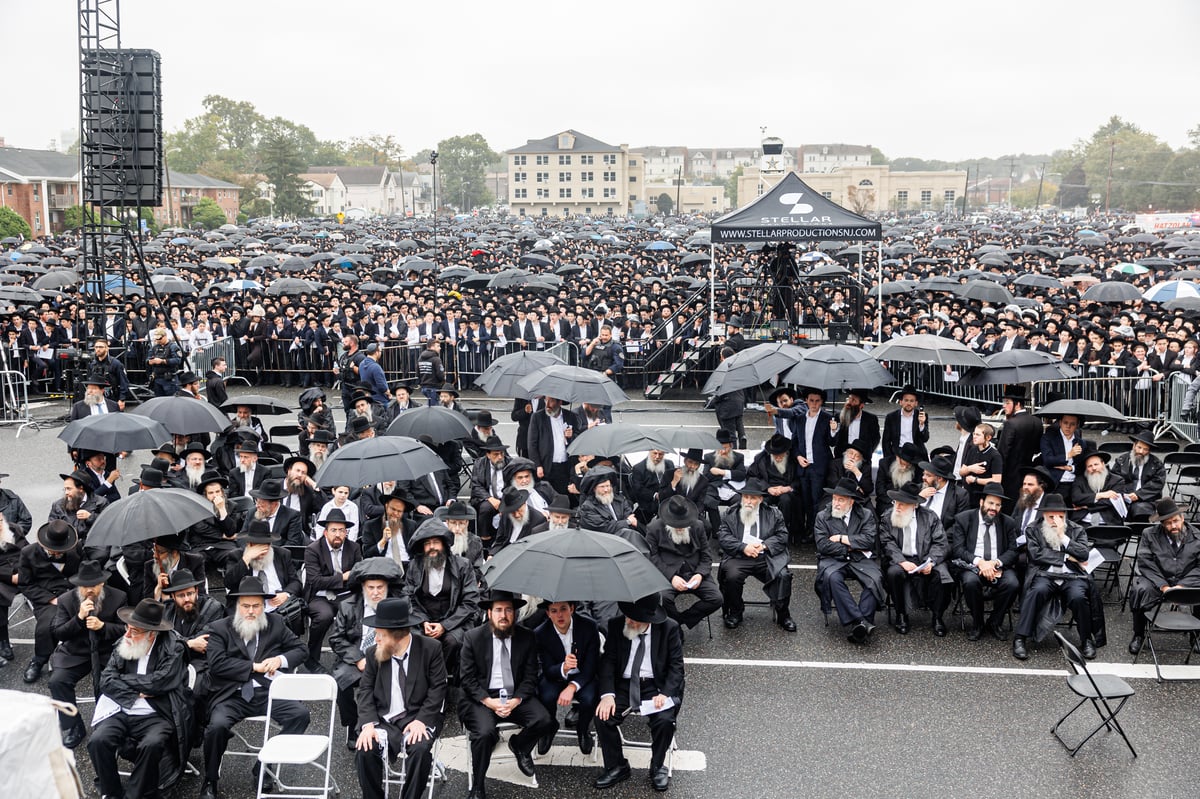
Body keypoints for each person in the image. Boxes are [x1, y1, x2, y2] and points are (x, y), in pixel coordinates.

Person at [200, 576, 310, 799]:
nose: (251, 611)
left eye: (256, 606)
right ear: (237, 606)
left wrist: (280, 659)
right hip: (232, 694)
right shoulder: (220, 628)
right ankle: (210, 779)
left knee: (301, 715)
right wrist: (254, 666)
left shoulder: (276, 623)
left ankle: (264, 765)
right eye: (246, 606)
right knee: (216, 727)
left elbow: (301, 650)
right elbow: (217, 664)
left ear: (264, 605)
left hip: (267, 692)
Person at [88, 598, 190, 799]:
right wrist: (136, 691)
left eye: (134, 631)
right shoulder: (124, 642)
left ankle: (135, 795)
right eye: (128, 627)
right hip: (121, 709)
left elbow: (160, 683)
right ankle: (112, 792)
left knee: (151, 744)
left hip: (157, 713)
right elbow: (106, 680)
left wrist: (123, 680)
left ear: (151, 634)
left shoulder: (174, 647)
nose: (127, 633)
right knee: (98, 741)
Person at [458, 590, 556, 799]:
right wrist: (489, 702)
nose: (504, 615)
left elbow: (531, 676)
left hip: (514, 695)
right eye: (499, 610)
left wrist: (516, 700)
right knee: (484, 733)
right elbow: (467, 679)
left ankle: (519, 745)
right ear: (490, 613)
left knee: (545, 720)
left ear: (515, 613)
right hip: (482, 698)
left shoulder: (527, 637)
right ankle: (477, 786)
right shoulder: (473, 637)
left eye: (509, 610)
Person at [354, 596, 448, 799]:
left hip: (417, 716)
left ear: (398, 635)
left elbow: (438, 689)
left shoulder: (430, 649)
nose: (375, 638)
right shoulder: (373, 653)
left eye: (381, 634)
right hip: (383, 719)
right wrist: (368, 724)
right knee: (364, 749)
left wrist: (421, 721)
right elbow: (365, 690)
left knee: (421, 750)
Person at [593, 592, 684, 793]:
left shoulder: (670, 628)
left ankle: (658, 765)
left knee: (664, 721)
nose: (629, 623)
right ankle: (617, 766)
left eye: (635, 621)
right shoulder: (617, 625)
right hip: (624, 684)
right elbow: (607, 662)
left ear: (648, 620)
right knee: (602, 717)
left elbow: (676, 667)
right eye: (628, 618)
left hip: (655, 686)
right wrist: (607, 694)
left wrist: (666, 694)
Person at [49, 559, 128, 748]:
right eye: (85, 587)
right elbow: (58, 632)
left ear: (102, 583)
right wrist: (78, 618)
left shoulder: (119, 597)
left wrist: (103, 627)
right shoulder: (67, 600)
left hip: (106, 651)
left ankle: (111, 725)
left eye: (93, 585)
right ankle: (73, 725)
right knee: (57, 681)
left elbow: (127, 629)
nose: (89, 590)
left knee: (112, 682)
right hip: (77, 652)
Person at [330, 558, 403, 749]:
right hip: (357, 656)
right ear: (363, 587)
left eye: (380, 587)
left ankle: (377, 724)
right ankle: (354, 724)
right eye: (371, 587)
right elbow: (336, 639)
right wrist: (359, 659)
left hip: (389, 656)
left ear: (387, 586)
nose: (376, 592)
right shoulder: (348, 606)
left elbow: (410, 636)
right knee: (341, 682)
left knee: (377, 683)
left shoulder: (399, 605)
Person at [1012, 493, 1095, 661]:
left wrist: (1062, 537)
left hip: (1071, 576)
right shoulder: (1033, 529)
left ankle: (1087, 640)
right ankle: (1020, 638)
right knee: (1036, 591)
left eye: (1060, 516)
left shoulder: (1076, 529)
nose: (1056, 520)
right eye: (1051, 516)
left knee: (1079, 597)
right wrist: (1065, 557)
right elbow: (1036, 554)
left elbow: (1083, 554)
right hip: (1044, 574)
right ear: (1043, 515)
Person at [716, 478, 795, 632]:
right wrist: (743, 547)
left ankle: (783, 614)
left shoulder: (774, 513)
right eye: (745, 497)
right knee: (731, 576)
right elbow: (723, 536)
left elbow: (782, 536)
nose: (748, 501)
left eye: (753, 498)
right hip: (739, 556)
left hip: (766, 556)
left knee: (783, 575)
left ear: (760, 499)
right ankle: (736, 611)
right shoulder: (730, 513)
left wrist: (764, 545)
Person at [404, 519, 480, 678]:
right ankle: (422, 680)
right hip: (423, 621)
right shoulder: (414, 566)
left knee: (452, 642)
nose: (431, 547)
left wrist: (444, 626)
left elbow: (470, 602)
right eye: (427, 543)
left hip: (455, 621)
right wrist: (423, 621)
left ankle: (439, 681)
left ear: (444, 544)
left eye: (435, 542)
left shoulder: (463, 565)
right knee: (416, 639)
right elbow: (408, 597)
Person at [814, 477, 884, 644]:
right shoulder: (823, 516)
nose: (836, 503)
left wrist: (841, 538)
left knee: (875, 579)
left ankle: (859, 625)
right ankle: (861, 621)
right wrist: (851, 546)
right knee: (832, 577)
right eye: (835, 498)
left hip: (860, 559)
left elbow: (869, 541)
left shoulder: (865, 514)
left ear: (851, 502)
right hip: (833, 559)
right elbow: (823, 545)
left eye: (841, 500)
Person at [1127, 498, 1200, 655]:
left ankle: (1197, 637)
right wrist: (1164, 586)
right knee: (1140, 589)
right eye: (1167, 523)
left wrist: (1181, 587)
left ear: (1182, 518)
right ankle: (1138, 634)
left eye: (1175, 521)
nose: (1173, 526)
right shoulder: (1149, 534)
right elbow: (1145, 563)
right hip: (1158, 581)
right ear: (1161, 523)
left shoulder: (1198, 536)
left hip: (1186, 582)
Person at [948, 485, 1021, 641]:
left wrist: (994, 563)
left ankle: (995, 621)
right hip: (972, 566)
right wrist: (980, 562)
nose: (993, 508)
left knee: (1012, 583)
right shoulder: (963, 519)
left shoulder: (1008, 522)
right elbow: (958, 549)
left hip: (998, 566)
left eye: (997, 505)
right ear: (982, 502)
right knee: (970, 582)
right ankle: (978, 622)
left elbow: (1013, 551)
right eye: (990, 503)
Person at [880, 482, 951, 636]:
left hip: (925, 557)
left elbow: (941, 542)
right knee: (894, 573)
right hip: (901, 559)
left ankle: (937, 616)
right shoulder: (887, 517)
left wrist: (931, 561)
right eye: (896, 502)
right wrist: (901, 561)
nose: (897, 507)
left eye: (902, 504)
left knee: (943, 575)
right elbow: (887, 543)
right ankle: (901, 615)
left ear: (914, 505)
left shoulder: (930, 517)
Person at [533, 599, 602, 755]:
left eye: (563, 609)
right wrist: (563, 667)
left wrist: (572, 687)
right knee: (545, 695)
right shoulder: (541, 633)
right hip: (556, 675)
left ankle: (583, 729)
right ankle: (550, 727)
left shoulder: (589, 627)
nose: (559, 615)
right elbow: (546, 669)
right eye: (554, 611)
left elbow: (592, 665)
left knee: (590, 698)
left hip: (583, 675)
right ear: (548, 614)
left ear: (572, 608)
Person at [646, 495, 724, 631]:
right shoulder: (654, 528)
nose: (680, 527)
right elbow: (652, 557)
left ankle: (678, 623)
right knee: (663, 599)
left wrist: (700, 574)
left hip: (694, 572)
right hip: (667, 574)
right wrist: (671, 576)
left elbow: (706, 554)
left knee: (716, 598)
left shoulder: (698, 526)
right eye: (676, 524)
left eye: (683, 524)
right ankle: (674, 629)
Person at [18, 520, 82, 684]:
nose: (58, 553)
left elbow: (83, 571)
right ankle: (39, 660)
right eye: (54, 551)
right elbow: (25, 584)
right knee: (48, 625)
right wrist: (51, 599)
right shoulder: (28, 552)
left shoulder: (76, 548)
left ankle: (83, 656)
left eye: (61, 550)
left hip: (73, 593)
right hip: (46, 597)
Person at [303, 507, 364, 672]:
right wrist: (342, 578)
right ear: (325, 532)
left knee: (354, 613)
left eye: (341, 530)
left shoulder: (354, 548)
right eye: (333, 530)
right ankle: (311, 658)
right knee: (324, 616)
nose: (337, 534)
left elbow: (358, 576)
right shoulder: (313, 550)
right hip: (320, 596)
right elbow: (315, 581)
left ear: (346, 532)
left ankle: (349, 656)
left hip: (346, 594)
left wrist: (341, 580)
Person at [222, 520, 302, 615]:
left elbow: (295, 582)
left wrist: (286, 594)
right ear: (249, 545)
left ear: (270, 545)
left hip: (279, 607)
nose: (260, 552)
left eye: (264, 546)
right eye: (256, 546)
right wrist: (246, 559)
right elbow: (229, 583)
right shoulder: (236, 556)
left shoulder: (282, 554)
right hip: (247, 608)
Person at [997, 386, 1043, 510]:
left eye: (1007, 402)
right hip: (1030, 473)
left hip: (1010, 477)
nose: (1003, 406)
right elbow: (1038, 449)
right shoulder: (1037, 421)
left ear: (1017, 404)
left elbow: (1002, 453)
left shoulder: (1010, 424)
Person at [747, 433, 800, 536]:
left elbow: (799, 480)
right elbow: (752, 477)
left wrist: (788, 488)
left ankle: (782, 531)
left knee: (786, 501)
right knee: (761, 501)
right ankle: (763, 531)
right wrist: (767, 488)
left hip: (786, 491)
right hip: (767, 490)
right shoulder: (761, 459)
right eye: (775, 456)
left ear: (786, 452)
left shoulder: (793, 460)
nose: (778, 458)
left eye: (781, 456)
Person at [527, 395, 579, 495]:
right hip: (546, 466)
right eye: (546, 400)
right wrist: (538, 465)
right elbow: (532, 444)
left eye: (551, 401)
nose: (547, 405)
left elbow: (578, 439)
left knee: (563, 497)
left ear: (559, 402)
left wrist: (571, 435)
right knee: (547, 497)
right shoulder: (538, 417)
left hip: (565, 466)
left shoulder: (570, 416)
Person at [1065, 450, 1128, 526]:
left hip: (1108, 523)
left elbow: (1111, 502)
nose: (1094, 468)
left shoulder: (1117, 480)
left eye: (1096, 464)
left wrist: (1087, 506)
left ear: (1103, 464)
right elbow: (1076, 498)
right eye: (1090, 466)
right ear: (1086, 468)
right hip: (1082, 522)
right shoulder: (1080, 480)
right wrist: (1099, 495)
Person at [241, 477, 305, 547]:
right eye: (257, 501)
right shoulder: (252, 512)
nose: (257, 505)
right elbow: (242, 537)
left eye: (261, 503)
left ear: (274, 504)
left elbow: (292, 544)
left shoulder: (292, 516)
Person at [916, 454, 972, 531]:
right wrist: (919, 499)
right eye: (924, 474)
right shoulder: (918, 489)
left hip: (942, 539)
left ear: (939, 478)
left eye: (928, 475)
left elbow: (959, 525)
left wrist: (939, 539)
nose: (923, 478)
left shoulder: (959, 495)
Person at [881, 385, 929, 468]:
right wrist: (888, 458)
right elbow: (886, 441)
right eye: (906, 400)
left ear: (916, 403)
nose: (908, 403)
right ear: (900, 402)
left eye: (911, 401)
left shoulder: (922, 416)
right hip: (898, 452)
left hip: (916, 452)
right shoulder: (891, 417)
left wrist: (921, 424)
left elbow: (925, 439)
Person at [629, 448, 675, 527]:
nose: (657, 457)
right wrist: (655, 495)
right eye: (655, 453)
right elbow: (638, 489)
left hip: (668, 502)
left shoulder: (669, 464)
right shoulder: (639, 468)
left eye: (660, 454)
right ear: (649, 452)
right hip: (649, 504)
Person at [1039, 413, 1087, 488]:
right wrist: (1068, 455)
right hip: (1056, 482)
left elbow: (1083, 466)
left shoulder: (1081, 443)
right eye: (1065, 423)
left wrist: (1071, 468)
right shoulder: (1048, 438)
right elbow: (1047, 460)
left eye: (1072, 424)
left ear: (1077, 425)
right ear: (1060, 422)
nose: (1068, 426)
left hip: (1075, 483)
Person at [711, 347, 746, 448]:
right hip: (739, 401)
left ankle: (734, 453)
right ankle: (743, 436)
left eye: (721, 356)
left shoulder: (724, 370)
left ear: (723, 357)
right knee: (738, 422)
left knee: (730, 434)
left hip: (728, 405)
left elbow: (720, 391)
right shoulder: (738, 368)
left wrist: (712, 402)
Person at [832, 387, 881, 458]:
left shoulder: (871, 419)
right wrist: (833, 430)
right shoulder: (839, 417)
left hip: (861, 458)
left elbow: (876, 439)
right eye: (849, 399)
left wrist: (866, 453)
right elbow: (833, 442)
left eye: (853, 400)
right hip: (841, 457)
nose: (849, 402)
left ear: (861, 405)